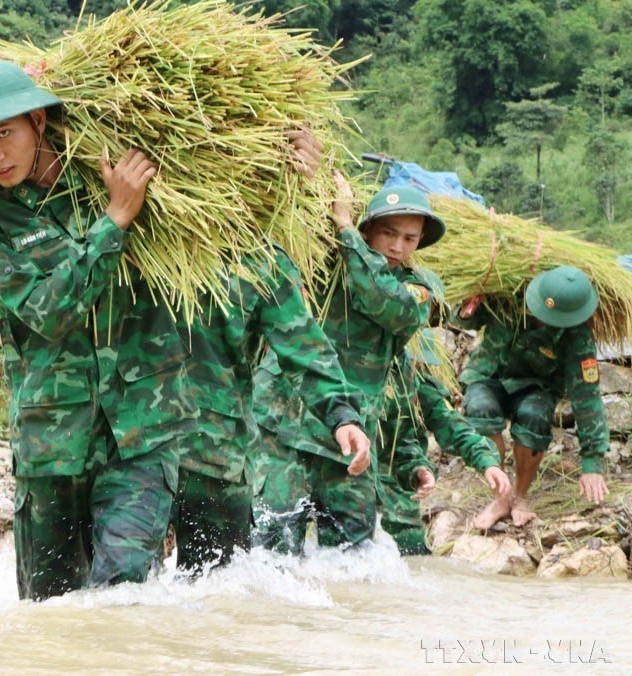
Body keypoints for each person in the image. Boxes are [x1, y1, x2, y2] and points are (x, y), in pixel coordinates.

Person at [0, 61, 198, 600]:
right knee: (50, 612)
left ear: (38, 119)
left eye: (4, 134)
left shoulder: (110, 171)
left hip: (141, 427)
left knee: (123, 594)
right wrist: (115, 221)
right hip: (52, 438)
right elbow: (49, 311)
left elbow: (230, 182)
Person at [175, 135, 370, 571]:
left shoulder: (260, 262)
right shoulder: (131, 233)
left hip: (216, 456)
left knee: (217, 598)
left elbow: (304, 348)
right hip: (132, 455)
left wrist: (344, 416)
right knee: (118, 597)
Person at [252, 178, 445, 551]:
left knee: (352, 557)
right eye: (389, 233)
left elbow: (380, 299)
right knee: (270, 552)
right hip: (285, 428)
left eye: (410, 238)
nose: (397, 246)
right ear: (368, 228)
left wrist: (345, 228)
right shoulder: (325, 264)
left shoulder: (416, 291)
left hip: (351, 442)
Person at [461, 266, 610, 529]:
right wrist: (467, 303)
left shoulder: (578, 338)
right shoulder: (508, 298)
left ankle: (520, 496)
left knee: (534, 419)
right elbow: (467, 320)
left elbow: (587, 397)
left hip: (536, 388)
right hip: (488, 376)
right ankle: (500, 498)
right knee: (481, 409)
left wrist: (592, 463)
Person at [378, 328, 511, 554]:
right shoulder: (358, 379)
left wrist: (488, 463)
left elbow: (454, 427)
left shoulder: (422, 391)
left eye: (422, 367)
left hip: (398, 483)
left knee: (411, 550)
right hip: (347, 476)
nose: (418, 371)